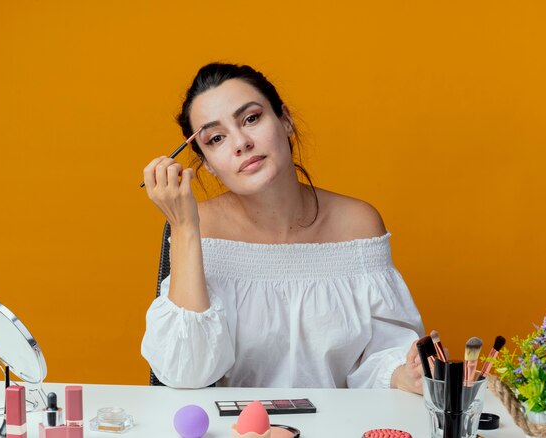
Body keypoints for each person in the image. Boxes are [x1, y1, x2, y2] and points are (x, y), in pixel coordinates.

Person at [141, 63, 424, 392]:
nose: (241, 142)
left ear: (285, 120)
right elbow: (186, 374)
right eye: (216, 138)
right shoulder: (199, 226)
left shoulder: (358, 224)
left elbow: (380, 356)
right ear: (208, 164)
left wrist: (406, 374)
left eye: (251, 118)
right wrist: (186, 227)